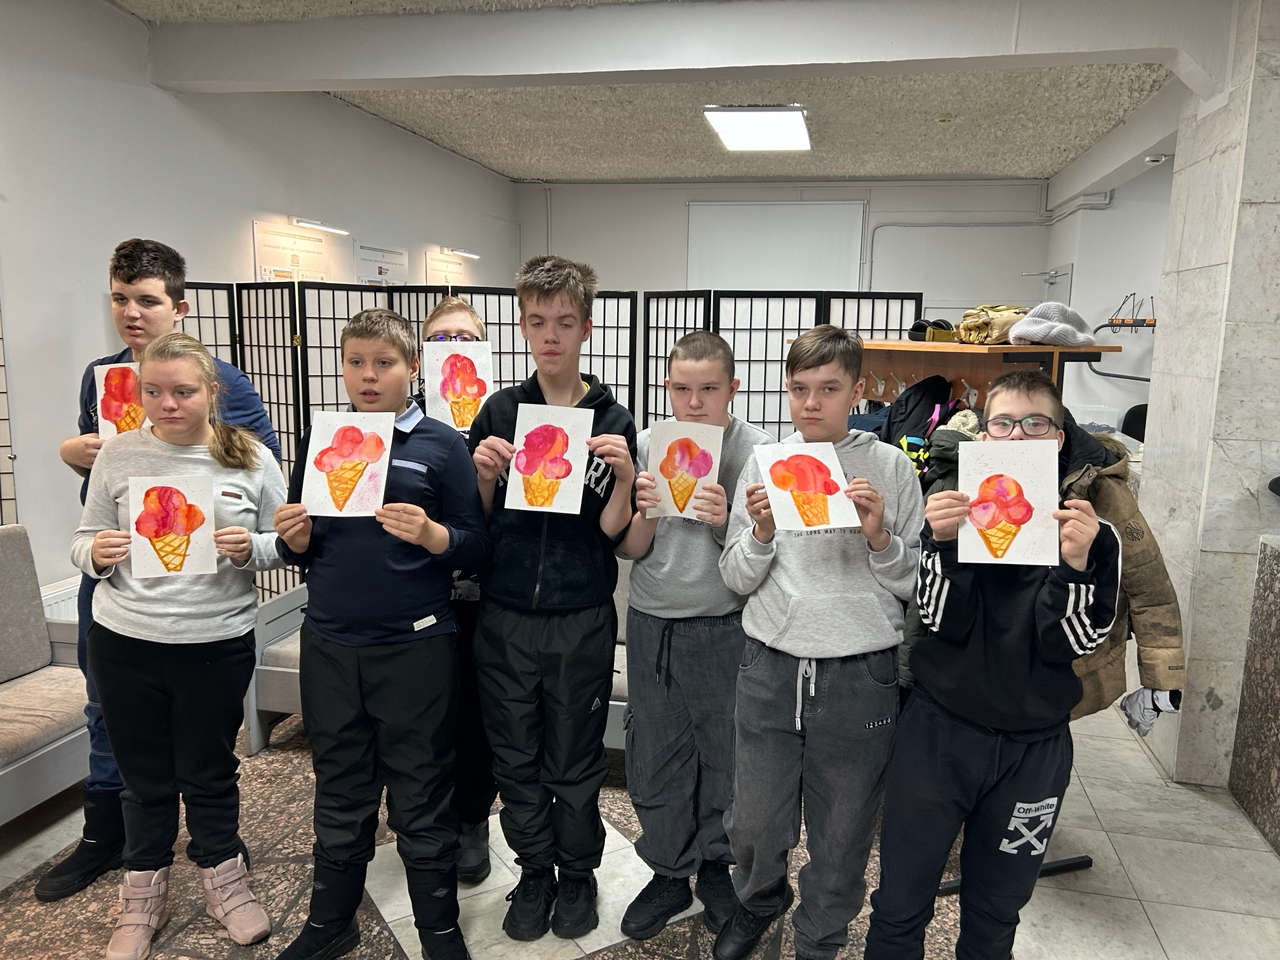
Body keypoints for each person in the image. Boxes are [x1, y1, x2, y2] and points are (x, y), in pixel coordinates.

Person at [42, 239, 280, 904]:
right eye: (119, 299)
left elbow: (262, 479)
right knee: (108, 710)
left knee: (206, 749)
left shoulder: (227, 383)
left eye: (145, 300)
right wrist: (74, 452)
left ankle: (216, 847)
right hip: (124, 581)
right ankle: (109, 837)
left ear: (179, 306)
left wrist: (248, 540)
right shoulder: (102, 376)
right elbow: (95, 502)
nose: (131, 313)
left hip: (208, 605)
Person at [863, 369, 1123, 960]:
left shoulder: (1092, 534)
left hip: (1034, 751)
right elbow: (937, 619)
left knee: (996, 911)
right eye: (1003, 424)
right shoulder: (952, 515)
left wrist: (1074, 567)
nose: (1017, 436)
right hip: (937, 734)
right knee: (900, 902)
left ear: (1059, 437)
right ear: (983, 436)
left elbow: (1074, 643)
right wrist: (943, 547)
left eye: (1035, 423)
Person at [273, 309, 490, 960]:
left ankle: (439, 931)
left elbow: (477, 546)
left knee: (422, 791)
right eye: (356, 362)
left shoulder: (441, 445)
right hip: (331, 643)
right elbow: (305, 551)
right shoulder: (322, 439)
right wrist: (295, 538)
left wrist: (432, 534)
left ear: (413, 368)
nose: (368, 376)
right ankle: (329, 923)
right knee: (340, 786)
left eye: (384, 363)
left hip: (416, 646)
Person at [71, 332, 285, 959]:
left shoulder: (250, 457)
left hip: (214, 640)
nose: (168, 404)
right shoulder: (118, 455)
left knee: (210, 770)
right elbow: (82, 539)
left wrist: (252, 549)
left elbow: (284, 540)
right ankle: (142, 895)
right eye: (154, 391)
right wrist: (96, 553)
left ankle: (225, 880)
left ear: (212, 392)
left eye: (184, 391)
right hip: (126, 639)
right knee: (143, 778)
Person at [716, 325, 923, 960]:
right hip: (771, 663)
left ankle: (821, 935)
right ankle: (759, 901)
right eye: (799, 388)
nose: (811, 403)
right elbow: (735, 577)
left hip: (860, 672)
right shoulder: (765, 463)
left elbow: (915, 581)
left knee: (844, 825)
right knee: (754, 816)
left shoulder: (892, 467)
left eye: (829, 389)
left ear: (857, 392)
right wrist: (760, 532)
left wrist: (879, 537)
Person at [468, 255, 637, 941]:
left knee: (574, 757)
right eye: (538, 321)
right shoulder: (499, 411)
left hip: (581, 616)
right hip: (505, 614)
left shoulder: (611, 417)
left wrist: (623, 477)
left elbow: (615, 534)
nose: (551, 335)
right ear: (522, 325)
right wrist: (483, 476)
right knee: (515, 756)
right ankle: (534, 872)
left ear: (586, 328)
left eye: (565, 322)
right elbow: (476, 524)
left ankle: (578, 874)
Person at [616, 331, 770, 939]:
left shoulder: (758, 452)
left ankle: (715, 865)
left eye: (709, 388)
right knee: (655, 753)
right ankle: (668, 870)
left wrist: (724, 520)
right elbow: (631, 549)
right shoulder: (648, 443)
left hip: (727, 621)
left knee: (725, 755)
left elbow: (764, 558)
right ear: (667, 388)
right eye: (682, 389)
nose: (695, 402)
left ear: (733, 387)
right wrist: (645, 509)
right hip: (652, 618)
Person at [422, 296, 498, 885]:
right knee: (422, 713)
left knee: (476, 712)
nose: (454, 348)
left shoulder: (503, 416)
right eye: (441, 338)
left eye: (465, 338)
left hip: (489, 593)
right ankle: (426, 817)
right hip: (418, 598)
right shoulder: (400, 423)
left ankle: (472, 819)